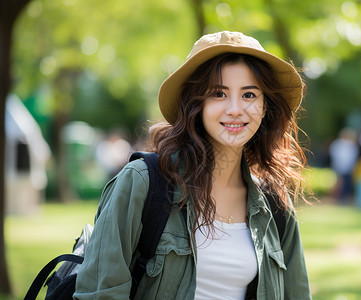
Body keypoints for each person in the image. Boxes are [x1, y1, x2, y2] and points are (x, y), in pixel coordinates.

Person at [74, 31, 312, 300]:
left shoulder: (276, 206)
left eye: (249, 95)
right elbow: (99, 293)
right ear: (194, 104)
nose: (235, 109)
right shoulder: (143, 183)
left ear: (265, 107)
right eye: (219, 93)